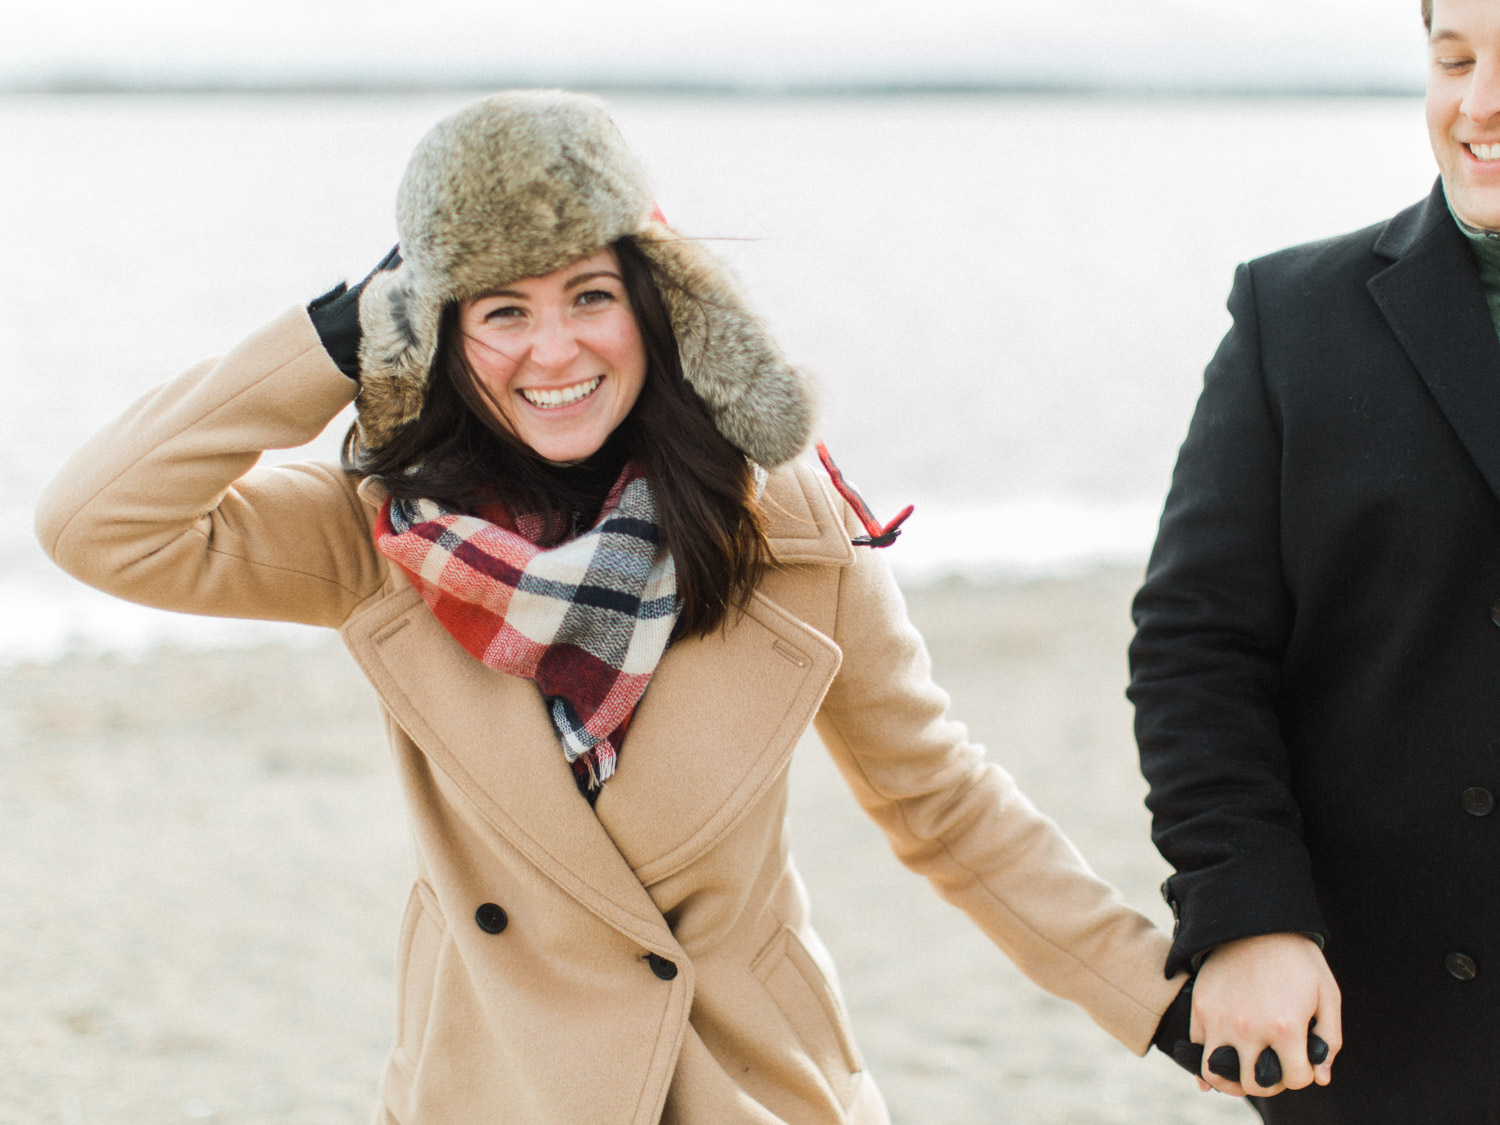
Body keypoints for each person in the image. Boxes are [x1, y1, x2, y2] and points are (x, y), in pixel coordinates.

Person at [37, 90, 1187, 1124]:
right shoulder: (376, 532)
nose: (555, 350)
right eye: (501, 311)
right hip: (485, 1093)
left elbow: (942, 802)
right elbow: (98, 524)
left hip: (750, 1086)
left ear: (659, 306)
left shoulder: (786, 529)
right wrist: (337, 331)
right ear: (442, 333)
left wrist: (1162, 1000)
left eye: (592, 295)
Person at [1129, 0, 1500, 1119]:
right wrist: (1247, 914)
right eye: (1454, 60)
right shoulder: (1293, 318)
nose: (1479, 108)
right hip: (1396, 1033)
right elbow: (1197, 651)